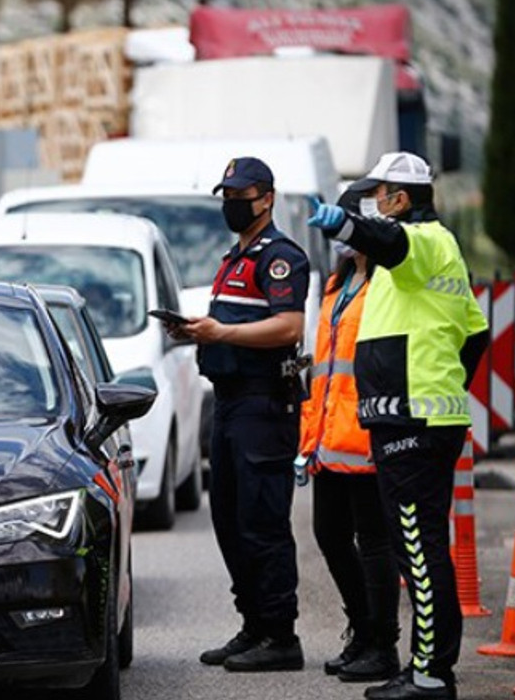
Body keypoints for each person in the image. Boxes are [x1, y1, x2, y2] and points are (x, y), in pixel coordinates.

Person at [306, 152, 489, 700]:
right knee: (420, 545)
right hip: (418, 414)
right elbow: (475, 334)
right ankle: (426, 665)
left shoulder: (424, 242)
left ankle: (431, 673)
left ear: (400, 200)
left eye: (379, 195)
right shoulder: (423, 264)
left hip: (414, 418)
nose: (374, 204)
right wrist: (447, 385)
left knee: (418, 545)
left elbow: (391, 242)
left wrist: (344, 223)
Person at [162, 156, 310, 672]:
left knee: (262, 521)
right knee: (227, 518)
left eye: (240, 194)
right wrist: (195, 331)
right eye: (225, 194)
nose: (232, 203)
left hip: (262, 403)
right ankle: (255, 624)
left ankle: (281, 635)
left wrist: (220, 333)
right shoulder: (234, 257)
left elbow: (289, 327)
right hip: (227, 402)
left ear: (266, 198)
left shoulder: (281, 257)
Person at [299, 186, 400, 685]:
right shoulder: (340, 286)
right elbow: (325, 366)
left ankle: (383, 644)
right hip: (330, 436)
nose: (340, 232)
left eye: (346, 221)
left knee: (375, 541)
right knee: (329, 535)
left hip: (366, 431)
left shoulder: (388, 283)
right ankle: (362, 630)